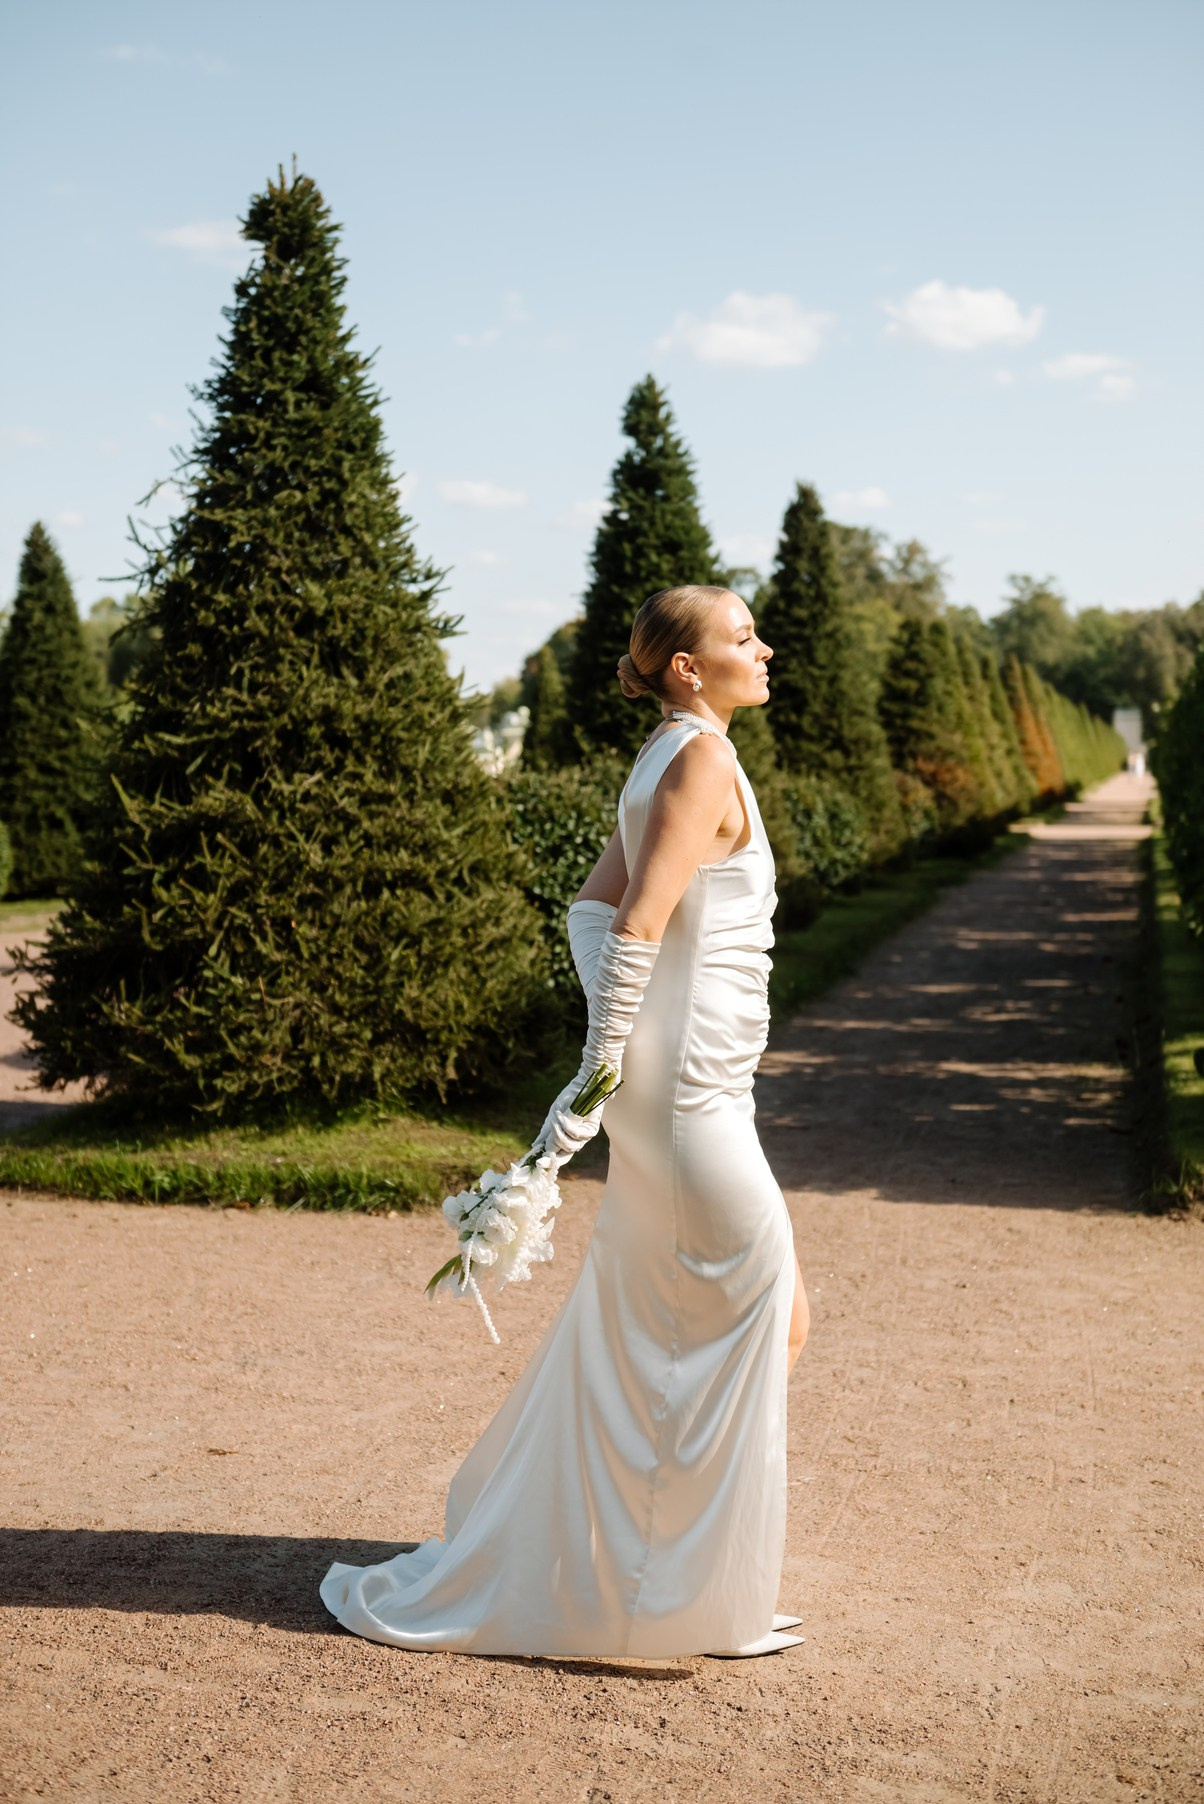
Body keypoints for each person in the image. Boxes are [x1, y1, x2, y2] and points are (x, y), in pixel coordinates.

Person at [320, 583, 810, 1659]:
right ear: (687, 667)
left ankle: (685, 1580)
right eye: (743, 636)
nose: (765, 648)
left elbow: (590, 909)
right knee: (759, 1313)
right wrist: (603, 1061)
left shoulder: (669, 754)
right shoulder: (698, 761)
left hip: (692, 1085)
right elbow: (628, 922)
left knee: (723, 1321)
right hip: (687, 1100)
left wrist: (623, 1046)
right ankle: (671, 1591)